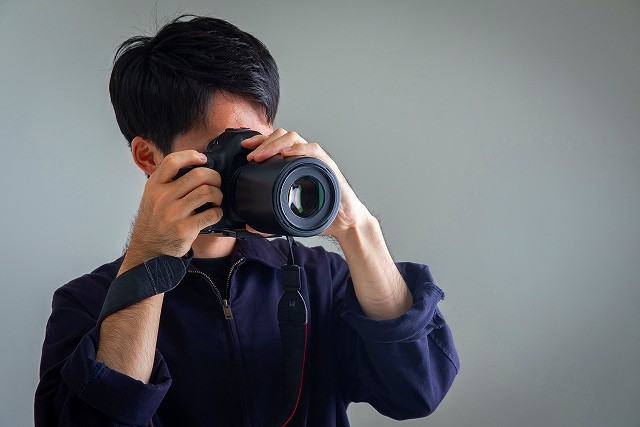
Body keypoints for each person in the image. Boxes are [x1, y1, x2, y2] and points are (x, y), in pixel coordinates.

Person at [35, 15, 459, 426]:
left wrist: (356, 227)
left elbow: (417, 391)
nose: (250, 165)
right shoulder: (88, 304)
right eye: (227, 148)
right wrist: (148, 262)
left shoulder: (319, 278)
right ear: (149, 157)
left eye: (257, 144)